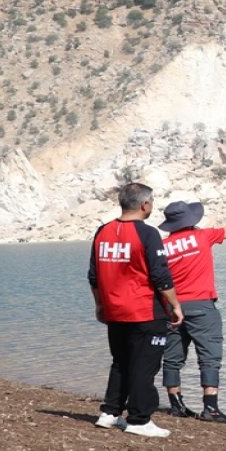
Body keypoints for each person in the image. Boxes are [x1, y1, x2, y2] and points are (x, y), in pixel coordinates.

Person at [89, 183, 184, 438]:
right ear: (145, 205)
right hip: (144, 310)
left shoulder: (102, 232)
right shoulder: (148, 234)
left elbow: (94, 276)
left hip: (114, 310)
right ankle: (140, 419)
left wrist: (100, 305)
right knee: (144, 365)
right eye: (151, 202)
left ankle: (110, 413)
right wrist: (175, 305)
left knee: (121, 361)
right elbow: (160, 275)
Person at [158, 200, 226, 424]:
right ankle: (211, 407)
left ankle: (176, 405)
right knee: (209, 356)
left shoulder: (162, 246)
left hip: (172, 307)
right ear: (191, 221)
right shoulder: (203, 237)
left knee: (172, 358)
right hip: (201, 305)